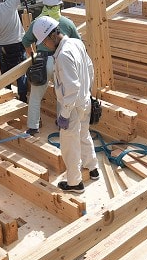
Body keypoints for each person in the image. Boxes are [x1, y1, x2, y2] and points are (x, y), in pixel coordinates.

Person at [32, 16, 100, 193]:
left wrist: (64, 114)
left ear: (52, 37)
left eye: (44, 42)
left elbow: (71, 88)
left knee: (69, 145)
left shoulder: (63, 56)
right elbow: (90, 68)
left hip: (73, 107)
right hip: (84, 101)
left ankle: (74, 183)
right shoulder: (76, 43)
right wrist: (88, 92)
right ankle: (93, 169)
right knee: (84, 135)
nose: (44, 45)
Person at [21, 0, 81, 136]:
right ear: (60, 5)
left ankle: (33, 127)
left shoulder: (38, 23)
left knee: (35, 96)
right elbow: (78, 43)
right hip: (62, 62)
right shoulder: (67, 22)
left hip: (43, 62)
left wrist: (32, 55)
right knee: (62, 93)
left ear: (44, 6)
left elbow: (25, 41)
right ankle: (61, 123)